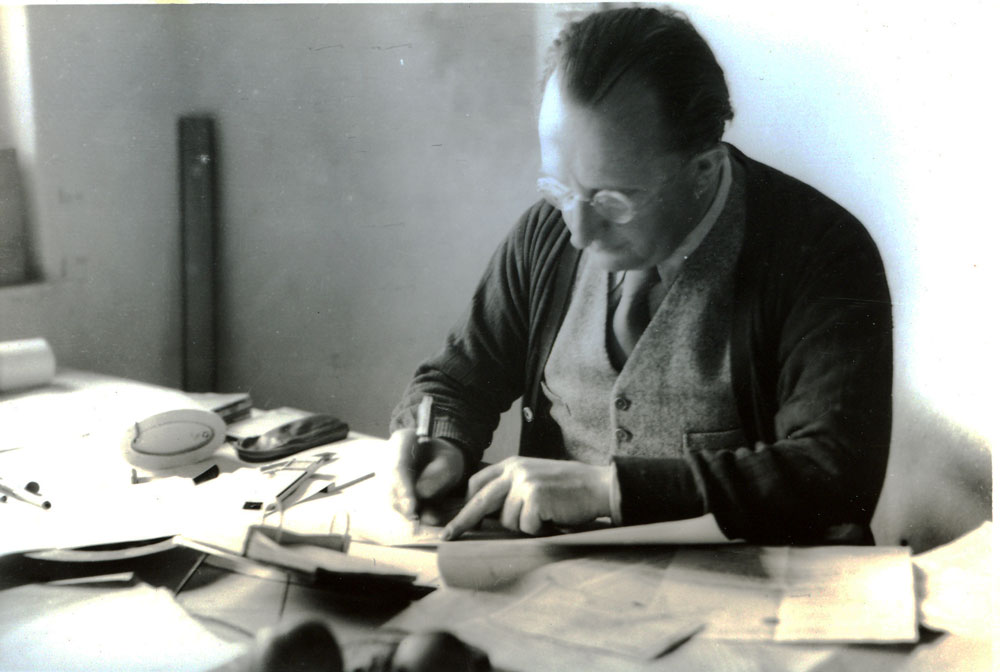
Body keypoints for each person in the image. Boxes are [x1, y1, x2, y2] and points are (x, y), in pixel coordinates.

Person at [388, 6, 892, 545]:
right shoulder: (547, 234)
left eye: (613, 199)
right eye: (559, 191)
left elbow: (833, 472)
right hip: (555, 587)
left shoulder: (820, 251)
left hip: (751, 595)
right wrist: (440, 438)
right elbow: (455, 380)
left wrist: (610, 491)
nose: (578, 232)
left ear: (703, 169)